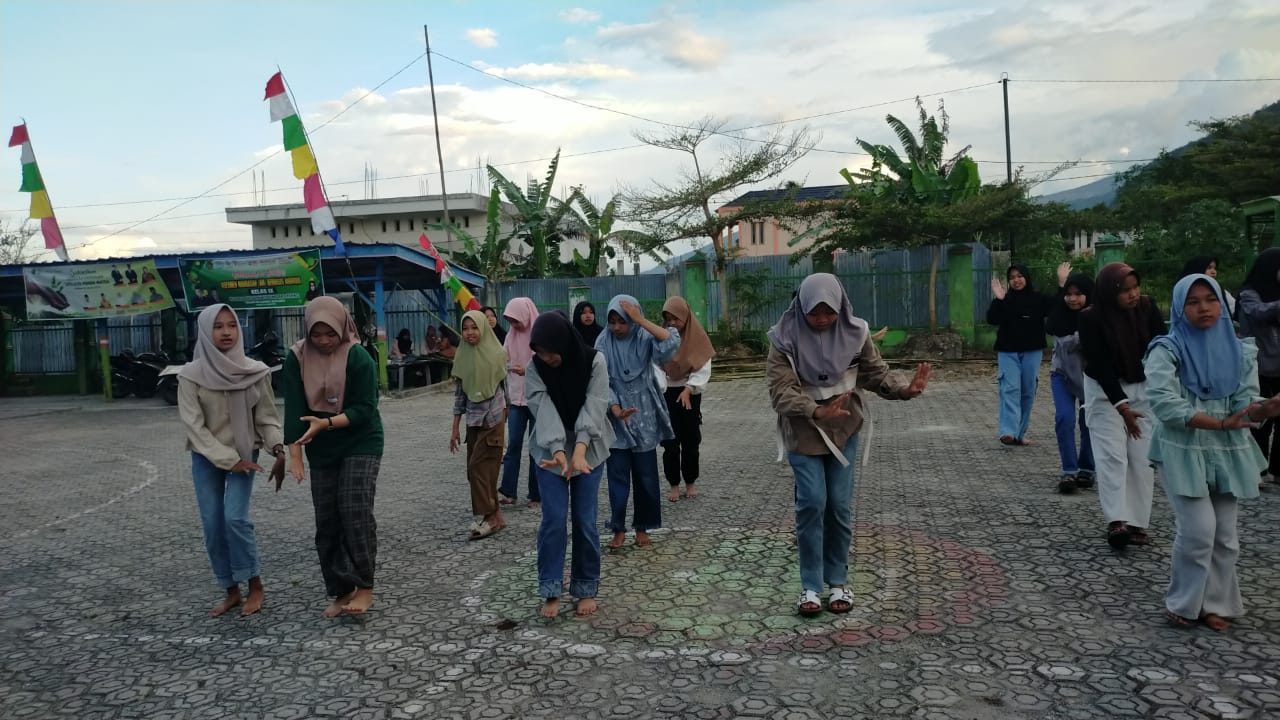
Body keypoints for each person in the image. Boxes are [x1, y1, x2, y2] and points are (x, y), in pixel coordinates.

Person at [767, 273, 930, 616]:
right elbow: (780, 392)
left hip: (844, 427)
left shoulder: (857, 332)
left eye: (829, 311)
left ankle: (838, 581)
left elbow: (875, 373)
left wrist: (903, 390)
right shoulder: (783, 338)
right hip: (804, 429)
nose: (822, 319)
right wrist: (815, 410)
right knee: (812, 502)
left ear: (841, 307)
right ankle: (810, 586)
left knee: (839, 506)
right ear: (801, 307)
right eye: (815, 312)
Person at [1145, 273, 1280, 631]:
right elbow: (1163, 402)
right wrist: (1216, 423)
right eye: (1193, 302)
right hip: (1182, 448)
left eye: (1210, 299)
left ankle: (1215, 604)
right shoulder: (1166, 349)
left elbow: (1244, 405)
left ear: (1222, 304)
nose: (1203, 308)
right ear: (1179, 308)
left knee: (1225, 536)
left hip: (1226, 450)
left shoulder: (1239, 350)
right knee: (1198, 530)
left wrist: (1264, 410)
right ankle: (1183, 602)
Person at [177, 304, 285, 618]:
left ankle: (255, 584)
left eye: (232, 325)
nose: (226, 332)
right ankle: (231, 590)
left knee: (235, 519)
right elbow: (194, 426)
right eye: (218, 326)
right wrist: (228, 460)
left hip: (245, 452)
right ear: (205, 331)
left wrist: (278, 448)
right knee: (213, 524)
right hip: (206, 456)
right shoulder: (190, 376)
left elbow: (266, 418)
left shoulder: (255, 372)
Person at [282, 296, 385, 617]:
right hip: (321, 445)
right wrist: (295, 455)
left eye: (330, 333)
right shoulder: (296, 358)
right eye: (316, 334)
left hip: (360, 439)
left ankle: (364, 586)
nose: (324, 341)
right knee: (326, 520)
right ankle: (341, 589)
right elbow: (294, 410)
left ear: (342, 328)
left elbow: (366, 409)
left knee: (354, 512)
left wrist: (325, 423)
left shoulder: (358, 357)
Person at [525, 310, 614, 619]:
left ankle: (585, 587)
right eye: (540, 352)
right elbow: (541, 407)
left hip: (590, 450)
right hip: (550, 452)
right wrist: (559, 450)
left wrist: (579, 449)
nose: (546, 358)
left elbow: (596, 404)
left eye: (550, 352)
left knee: (585, 520)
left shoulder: (595, 361)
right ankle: (551, 589)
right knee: (553, 519)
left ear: (564, 343)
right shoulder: (535, 367)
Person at [1079, 263, 1166, 549]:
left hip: (1142, 387)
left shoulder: (1147, 308)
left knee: (1141, 458)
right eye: (1125, 290)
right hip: (1105, 392)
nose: (1133, 294)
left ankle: (1138, 522)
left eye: (1135, 287)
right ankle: (1117, 520)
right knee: (1112, 456)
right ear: (1109, 292)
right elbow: (1100, 365)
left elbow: (1162, 347)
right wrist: (1122, 407)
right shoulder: (1091, 318)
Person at [596, 295, 680, 549]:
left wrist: (640, 320)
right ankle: (618, 528)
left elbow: (671, 342)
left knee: (646, 476)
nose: (616, 327)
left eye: (622, 321)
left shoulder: (644, 337)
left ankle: (643, 526)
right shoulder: (603, 341)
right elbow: (600, 380)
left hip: (644, 412)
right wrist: (615, 408)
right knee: (617, 475)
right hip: (616, 416)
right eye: (612, 321)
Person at [987, 263, 1066, 446]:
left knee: (1028, 391)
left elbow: (1058, 306)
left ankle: (1019, 433)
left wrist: (1062, 283)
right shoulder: (1005, 299)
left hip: (1032, 351)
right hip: (1008, 351)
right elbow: (992, 319)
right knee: (1010, 389)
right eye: (1012, 277)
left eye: (1020, 276)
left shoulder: (1038, 298)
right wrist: (999, 299)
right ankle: (1008, 431)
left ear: (1027, 278)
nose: (1016, 280)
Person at [450, 310, 509, 540]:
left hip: (493, 419)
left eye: (474, 327)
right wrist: (455, 428)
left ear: (483, 328)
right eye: (465, 328)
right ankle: (496, 516)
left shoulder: (497, 353)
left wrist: (506, 419)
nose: (469, 333)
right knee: (477, 471)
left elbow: (506, 388)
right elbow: (459, 396)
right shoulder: (462, 356)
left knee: (480, 468)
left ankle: (490, 518)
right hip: (473, 420)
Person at [658, 296, 715, 502]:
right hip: (667, 392)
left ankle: (690, 482)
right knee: (670, 442)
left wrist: (689, 388)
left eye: (676, 319)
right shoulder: (661, 337)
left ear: (686, 317)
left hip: (690, 393)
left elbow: (703, 365)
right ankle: (673, 484)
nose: (672, 323)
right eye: (668, 319)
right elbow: (655, 364)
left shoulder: (696, 337)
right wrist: (662, 387)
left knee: (691, 440)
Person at [1046, 269, 1096, 494]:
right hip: (1062, 374)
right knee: (1064, 419)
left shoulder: (1098, 317)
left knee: (1089, 422)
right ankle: (1069, 470)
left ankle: (1087, 468)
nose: (1072, 299)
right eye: (1069, 294)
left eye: (1078, 294)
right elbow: (1061, 337)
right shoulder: (1059, 316)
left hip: (1090, 377)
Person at [1237, 248, 1280, 480]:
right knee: (1260, 417)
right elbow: (1258, 312)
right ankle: (1258, 469)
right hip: (1259, 365)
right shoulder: (1248, 294)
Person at [499, 298, 541, 507]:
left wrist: (528, 369)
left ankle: (536, 494)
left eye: (516, 320)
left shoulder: (540, 333)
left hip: (537, 399)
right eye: (510, 321)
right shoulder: (511, 335)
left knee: (537, 447)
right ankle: (508, 491)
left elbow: (545, 360)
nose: (514, 324)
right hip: (516, 399)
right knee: (513, 444)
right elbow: (503, 360)